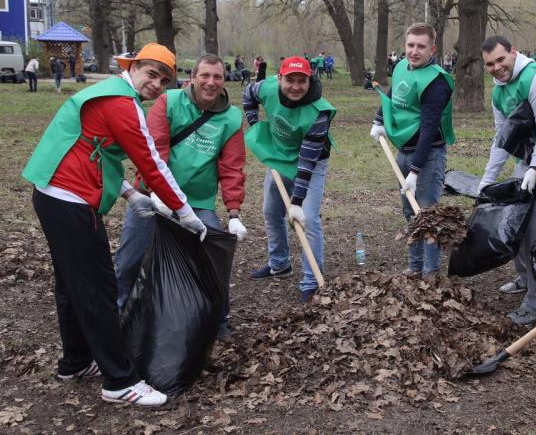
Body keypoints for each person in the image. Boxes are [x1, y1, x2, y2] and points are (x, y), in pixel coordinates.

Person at [22, 43, 208, 407]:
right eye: (151, 73)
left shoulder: (109, 92)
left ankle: (75, 362)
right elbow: (151, 162)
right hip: (70, 199)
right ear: (133, 67)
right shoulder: (121, 103)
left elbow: (92, 147)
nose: (156, 84)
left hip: (52, 193)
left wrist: (128, 193)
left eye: (164, 80)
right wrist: (184, 211)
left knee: (71, 284)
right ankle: (120, 381)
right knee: (98, 289)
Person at [114, 54, 247, 342]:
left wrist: (234, 213)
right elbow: (152, 150)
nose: (211, 83)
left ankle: (219, 319)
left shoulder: (232, 119)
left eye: (217, 77)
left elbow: (232, 167)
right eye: (205, 76)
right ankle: (116, 319)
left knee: (214, 256)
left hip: (197, 201)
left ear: (225, 81)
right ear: (193, 77)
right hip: (152, 195)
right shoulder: (170, 102)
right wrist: (159, 193)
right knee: (130, 259)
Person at [477, 35, 536, 325]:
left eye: (501, 59)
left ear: (514, 52)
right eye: (490, 64)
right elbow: (502, 139)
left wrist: (535, 169)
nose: (497, 67)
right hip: (526, 163)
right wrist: (485, 182)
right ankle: (525, 278)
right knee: (514, 224)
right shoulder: (498, 92)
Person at [244, 57, 335, 303]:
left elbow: (305, 163)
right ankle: (280, 264)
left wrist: (296, 202)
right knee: (271, 211)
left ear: (310, 80)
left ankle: (312, 280)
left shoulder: (319, 112)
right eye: (290, 80)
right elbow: (247, 95)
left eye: (301, 81)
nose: (295, 86)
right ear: (279, 79)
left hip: (312, 162)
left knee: (309, 218)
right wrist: (257, 127)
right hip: (280, 153)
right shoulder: (265, 88)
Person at [370, 22, 454, 277]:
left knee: (426, 214)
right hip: (403, 151)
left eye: (421, 46)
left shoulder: (436, 81)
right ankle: (414, 267)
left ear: (433, 49)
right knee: (410, 212)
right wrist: (379, 120)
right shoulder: (401, 68)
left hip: (427, 156)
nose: (414, 51)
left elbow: (429, 128)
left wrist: (415, 171)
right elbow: (393, 96)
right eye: (410, 45)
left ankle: (430, 273)